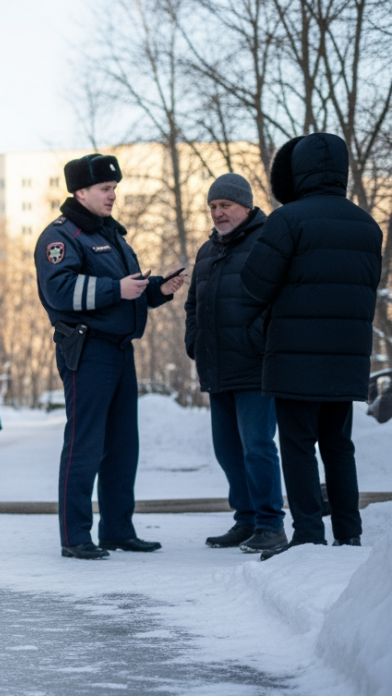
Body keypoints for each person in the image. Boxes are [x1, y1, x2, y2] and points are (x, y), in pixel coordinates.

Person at [34, 153, 186, 560]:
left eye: (114, 188)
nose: (113, 195)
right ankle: (75, 536)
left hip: (120, 350)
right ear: (80, 192)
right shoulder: (60, 237)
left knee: (122, 445)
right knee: (85, 443)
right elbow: (60, 291)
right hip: (87, 350)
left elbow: (126, 288)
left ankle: (118, 529)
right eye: (105, 189)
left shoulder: (111, 235)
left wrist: (157, 290)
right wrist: (116, 290)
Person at [241, 133, 384, 560]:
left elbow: (254, 283)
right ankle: (350, 533)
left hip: (294, 358)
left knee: (299, 445)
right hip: (347, 358)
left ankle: (307, 536)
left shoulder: (288, 220)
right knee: (339, 446)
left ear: (297, 171)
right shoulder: (367, 224)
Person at [185, 174, 285, 553]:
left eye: (225, 205)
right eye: (212, 207)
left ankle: (270, 524)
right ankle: (245, 521)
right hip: (217, 367)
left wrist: (254, 338)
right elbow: (193, 303)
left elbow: (277, 300)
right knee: (227, 449)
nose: (218, 213)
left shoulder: (267, 241)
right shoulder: (207, 251)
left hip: (254, 366)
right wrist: (195, 341)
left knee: (257, 446)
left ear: (245, 205)